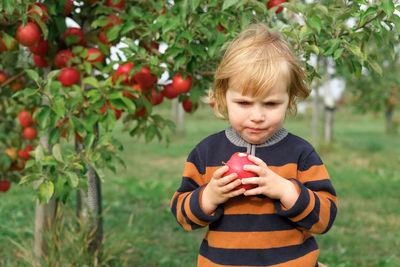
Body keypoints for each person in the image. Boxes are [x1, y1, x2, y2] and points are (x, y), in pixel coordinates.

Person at [170, 23, 338, 267]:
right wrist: (209, 196)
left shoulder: (300, 153)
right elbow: (182, 215)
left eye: (270, 104)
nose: (257, 116)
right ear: (223, 97)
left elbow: (325, 218)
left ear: (288, 100)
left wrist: (285, 190)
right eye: (244, 103)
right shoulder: (206, 152)